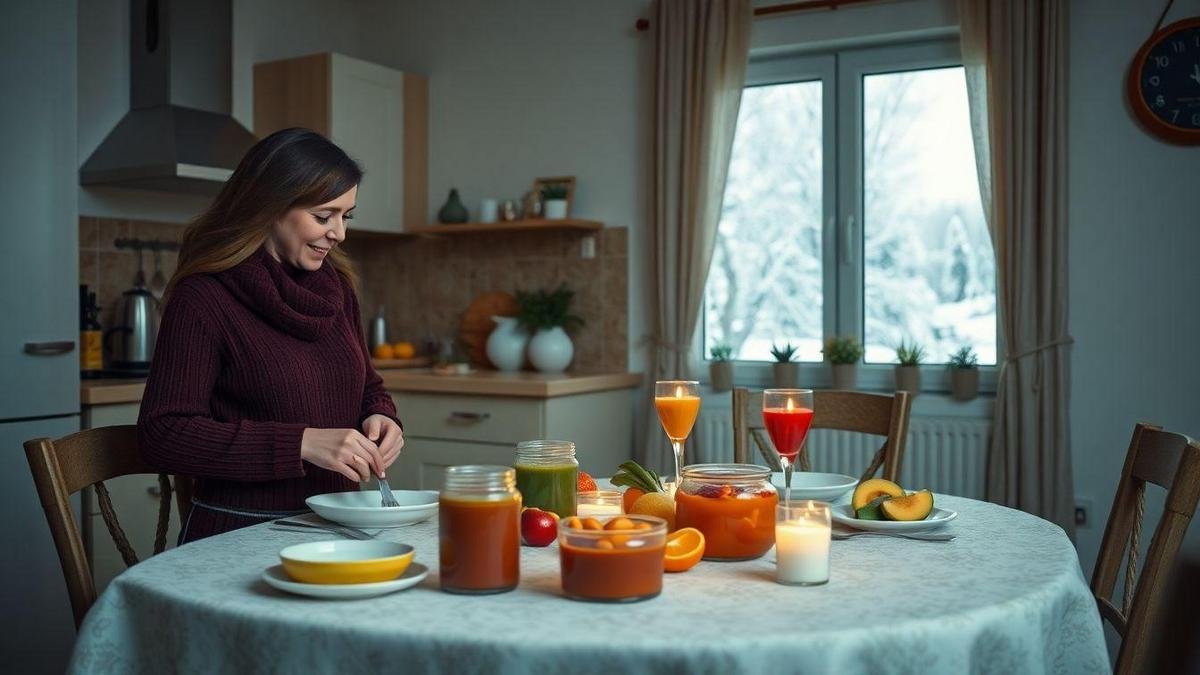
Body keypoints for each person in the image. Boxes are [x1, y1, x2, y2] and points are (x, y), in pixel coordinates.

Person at [138, 127, 404, 543]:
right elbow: (163, 435)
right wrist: (299, 443)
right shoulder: (205, 297)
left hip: (337, 528)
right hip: (240, 531)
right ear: (271, 206)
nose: (340, 233)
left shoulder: (337, 288)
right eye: (323, 216)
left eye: (346, 216)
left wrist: (382, 415)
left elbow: (368, 385)